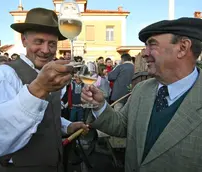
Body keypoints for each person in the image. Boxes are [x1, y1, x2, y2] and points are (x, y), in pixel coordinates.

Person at [0, 8, 88, 172]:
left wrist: (67, 126)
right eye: (39, 41)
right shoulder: (4, 75)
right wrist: (37, 89)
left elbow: (47, 116)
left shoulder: (51, 74)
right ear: (24, 40)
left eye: (52, 44)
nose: (46, 50)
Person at [81, 17, 202, 172]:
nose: (144, 53)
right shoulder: (142, 89)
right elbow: (122, 126)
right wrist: (99, 106)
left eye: (152, 45)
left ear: (183, 48)